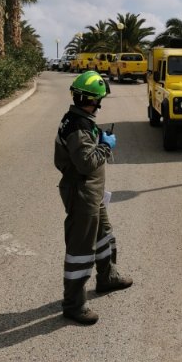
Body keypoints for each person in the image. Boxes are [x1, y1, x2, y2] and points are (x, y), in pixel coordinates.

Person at [54, 71, 133, 325]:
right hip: (82, 193)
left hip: (92, 193)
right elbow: (86, 163)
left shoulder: (80, 119)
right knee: (80, 251)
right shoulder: (78, 126)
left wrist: (99, 139)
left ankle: (107, 277)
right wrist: (106, 146)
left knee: (104, 237)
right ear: (94, 100)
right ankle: (74, 304)